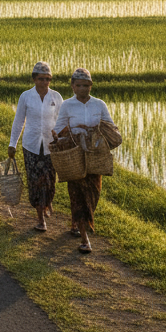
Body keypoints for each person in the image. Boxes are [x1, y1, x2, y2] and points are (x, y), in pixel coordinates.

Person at [55, 68, 116, 254]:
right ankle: (84, 238)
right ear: (73, 86)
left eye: (87, 85)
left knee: (93, 194)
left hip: (95, 156)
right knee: (78, 195)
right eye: (79, 85)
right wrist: (70, 134)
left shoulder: (99, 104)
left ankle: (78, 222)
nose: (83, 88)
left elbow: (110, 126)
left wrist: (94, 130)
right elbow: (58, 129)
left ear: (91, 86)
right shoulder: (67, 105)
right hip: (75, 156)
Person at [8, 61, 62, 231]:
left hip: (50, 146)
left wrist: (62, 139)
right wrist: (12, 144)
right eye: (40, 79)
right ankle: (40, 218)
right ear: (34, 79)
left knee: (50, 181)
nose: (44, 82)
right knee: (35, 181)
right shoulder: (26, 96)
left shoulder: (56, 97)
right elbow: (19, 121)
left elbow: (61, 121)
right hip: (31, 145)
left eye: (47, 79)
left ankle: (47, 203)